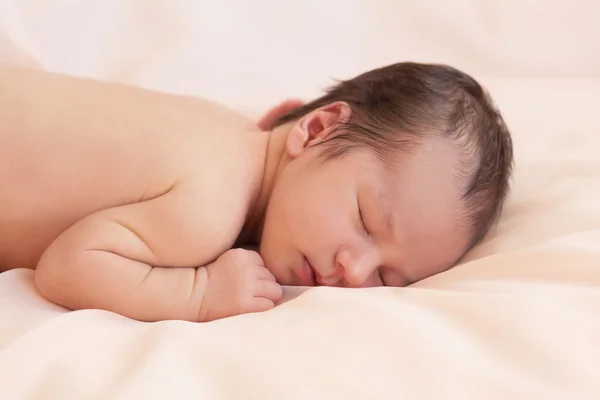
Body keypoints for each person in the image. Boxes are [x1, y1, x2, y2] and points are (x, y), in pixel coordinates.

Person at [0, 62, 513, 322]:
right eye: (364, 219)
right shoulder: (209, 205)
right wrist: (198, 296)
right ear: (314, 130)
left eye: (389, 276)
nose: (355, 271)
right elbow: (69, 266)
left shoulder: (226, 131)